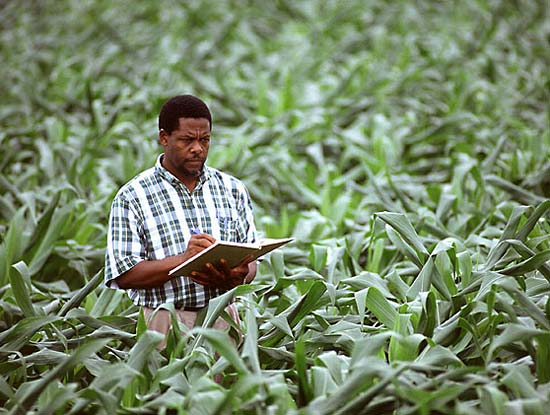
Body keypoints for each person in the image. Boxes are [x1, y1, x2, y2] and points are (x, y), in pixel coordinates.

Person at [104, 94, 257, 347]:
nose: (197, 148)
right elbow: (124, 273)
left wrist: (237, 274)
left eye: (204, 140)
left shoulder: (232, 189)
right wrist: (184, 261)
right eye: (187, 140)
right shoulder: (133, 196)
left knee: (227, 386)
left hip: (223, 318)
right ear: (164, 137)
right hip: (163, 321)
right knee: (164, 386)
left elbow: (252, 260)